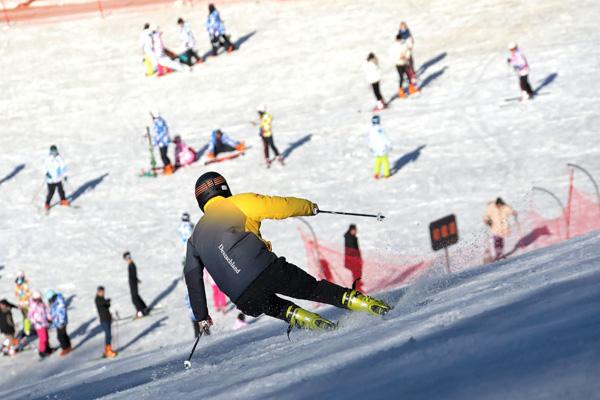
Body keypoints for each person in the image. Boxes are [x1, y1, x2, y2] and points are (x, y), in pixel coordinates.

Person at [184, 172, 391, 335]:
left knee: (269, 304)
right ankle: (368, 305)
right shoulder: (237, 203)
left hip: (242, 298)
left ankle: (305, 318)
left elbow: (192, 277)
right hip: (264, 269)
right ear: (224, 188)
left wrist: (202, 315)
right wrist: (309, 207)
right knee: (313, 289)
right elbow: (279, 206)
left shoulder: (194, 238)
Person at [45, 289, 71, 356]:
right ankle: (68, 346)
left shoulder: (59, 302)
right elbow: (53, 311)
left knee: (60, 336)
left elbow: (62, 312)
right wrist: (50, 319)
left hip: (61, 322)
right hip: (57, 321)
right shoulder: (55, 301)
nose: (49, 301)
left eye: (50, 299)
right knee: (64, 334)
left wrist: (61, 321)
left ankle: (65, 348)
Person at [392, 33, 419, 97]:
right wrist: (399, 57)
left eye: (399, 39)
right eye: (397, 39)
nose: (398, 40)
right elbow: (392, 56)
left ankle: (411, 88)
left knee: (409, 76)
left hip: (405, 63)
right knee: (401, 77)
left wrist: (406, 56)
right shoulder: (394, 47)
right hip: (398, 64)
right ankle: (401, 91)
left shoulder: (404, 44)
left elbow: (408, 52)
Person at [123, 252, 149, 318]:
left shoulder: (131, 265)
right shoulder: (131, 264)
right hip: (133, 283)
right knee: (136, 296)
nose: (125, 260)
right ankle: (144, 308)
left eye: (125, 258)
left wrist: (135, 280)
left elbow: (133, 275)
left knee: (134, 298)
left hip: (133, 283)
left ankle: (141, 312)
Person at [44, 145, 69, 211]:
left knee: (61, 190)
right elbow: (45, 168)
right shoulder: (48, 159)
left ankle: (63, 200)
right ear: (51, 152)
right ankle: (47, 203)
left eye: (55, 151)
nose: (54, 153)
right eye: (53, 151)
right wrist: (46, 173)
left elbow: (63, 167)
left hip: (58, 178)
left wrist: (65, 175)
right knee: (51, 192)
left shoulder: (59, 158)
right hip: (51, 180)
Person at [28, 291, 52, 359]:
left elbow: (46, 311)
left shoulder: (42, 304)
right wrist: (35, 321)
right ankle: (42, 351)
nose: (40, 299)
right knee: (43, 338)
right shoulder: (33, 306)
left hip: (44, 323)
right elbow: (29, 316)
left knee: (47, 337)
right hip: (39, 325)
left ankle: (47, 348)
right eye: (38, 298)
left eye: (40, 297)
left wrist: (49, 318)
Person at [95, 286, 117, 358]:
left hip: (108, 319)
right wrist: (107, 301)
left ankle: (108, 350)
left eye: (103, 292)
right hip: (104, 320)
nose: (103, 293)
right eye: (101, 292)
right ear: (98, 292)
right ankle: (108, 351)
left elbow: (107, 305)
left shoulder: (102, 298)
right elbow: (102, 304)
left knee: (109, 335)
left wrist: (108, 302)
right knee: (108, 335)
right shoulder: (98, 299)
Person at [150, 110, 174, 175]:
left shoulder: (158, 122)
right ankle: (169, 166)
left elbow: (160, 134)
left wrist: (154, 143)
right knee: (164, 155)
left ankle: (168, 169)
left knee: (163, 156)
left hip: (163, 142)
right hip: (163, 141)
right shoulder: (160, 121)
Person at [368, 115, 392, 179]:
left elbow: (369, 139)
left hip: (375, 148)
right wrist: (389, 144)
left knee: (378, 160)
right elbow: (384, 137)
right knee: (385, 160)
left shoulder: (371, 129)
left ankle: (376, 173)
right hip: (382, 147)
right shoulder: (380, 129)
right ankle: (387, 174)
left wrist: (370, 146)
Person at [344, 224, 363, 292]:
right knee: (356, 274)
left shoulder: (351, 237)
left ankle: (358, 287)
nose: (356, 231)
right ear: (351, 230)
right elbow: (351, 250)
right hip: (353, 260)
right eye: (355, 230)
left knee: (357, 273)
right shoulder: (350, 238)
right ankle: (357, 288)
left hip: (354, 260)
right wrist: (356, 259)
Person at [14, 271, 32, 336]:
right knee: (27, 317)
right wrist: (29, 294)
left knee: (25, 317)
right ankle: (27, 330)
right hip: (24, 303)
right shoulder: (21, 284)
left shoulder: (20, 283)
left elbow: (17, 294)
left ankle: (26, 328)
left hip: (23, 303)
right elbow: (23, 294)